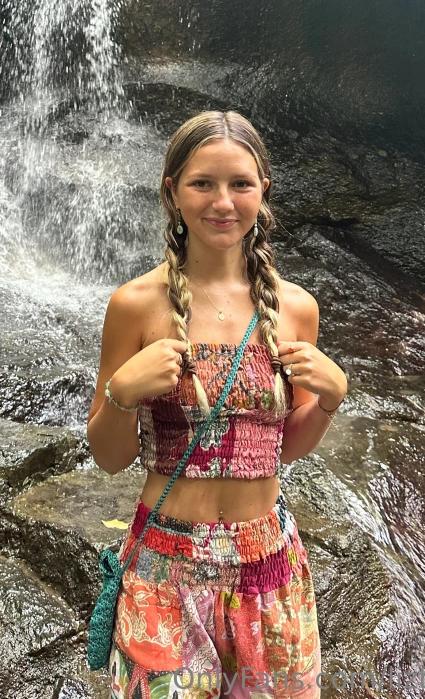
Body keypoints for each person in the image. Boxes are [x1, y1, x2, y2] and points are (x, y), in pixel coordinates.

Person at [86, 111, 348, 699]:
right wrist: (121, 395)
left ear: (264, 192)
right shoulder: (135, 305)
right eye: (202, 183)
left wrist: (330, 400)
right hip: (166, 567)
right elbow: (108, 457)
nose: (222, 202)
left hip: (269, 564)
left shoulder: (297, 309)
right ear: (172, 192)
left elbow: (286, 448)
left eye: (240, 184)